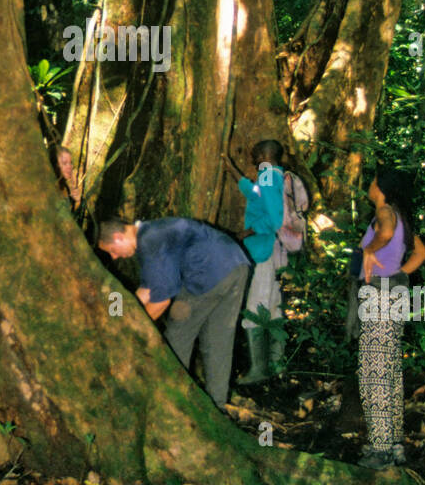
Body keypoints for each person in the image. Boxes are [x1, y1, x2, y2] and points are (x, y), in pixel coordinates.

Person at [98, 217, 250, 410]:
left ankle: (174, 404)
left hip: (208, 272)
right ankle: (217, 406)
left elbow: (161, 301)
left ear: (119, 237)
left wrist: (131, 331)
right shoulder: (151, 232)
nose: (114, 257)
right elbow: (147, 291)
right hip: (236, 264)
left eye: (111, 251)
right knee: (218, 341)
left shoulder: (149, 241)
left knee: (176, 338)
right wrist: (121, 318)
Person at [353, 167, 425, 468]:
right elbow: (421, 253)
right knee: (389, 366)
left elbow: (384, 234)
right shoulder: (401, 215)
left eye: (372, 181)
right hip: (393, 294)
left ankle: (381, 449)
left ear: (380, 187)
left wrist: (370, 251)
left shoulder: (385, 211)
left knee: (375, 368)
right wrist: (398, 275)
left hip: (379, 296)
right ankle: (394, 443)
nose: (369, 186)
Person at [222, 140, 285, 382]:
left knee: (256, 306)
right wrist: (234, 172)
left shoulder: (268, 175)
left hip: (264, 249)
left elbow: (275, 218)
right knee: (273, 305)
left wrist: (248, 232)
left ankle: (258, 370)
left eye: (253, 156)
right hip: (273, 250)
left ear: (262, 155)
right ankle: (277, 365)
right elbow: (257, 195)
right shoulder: (274, 176)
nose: (251, 160)